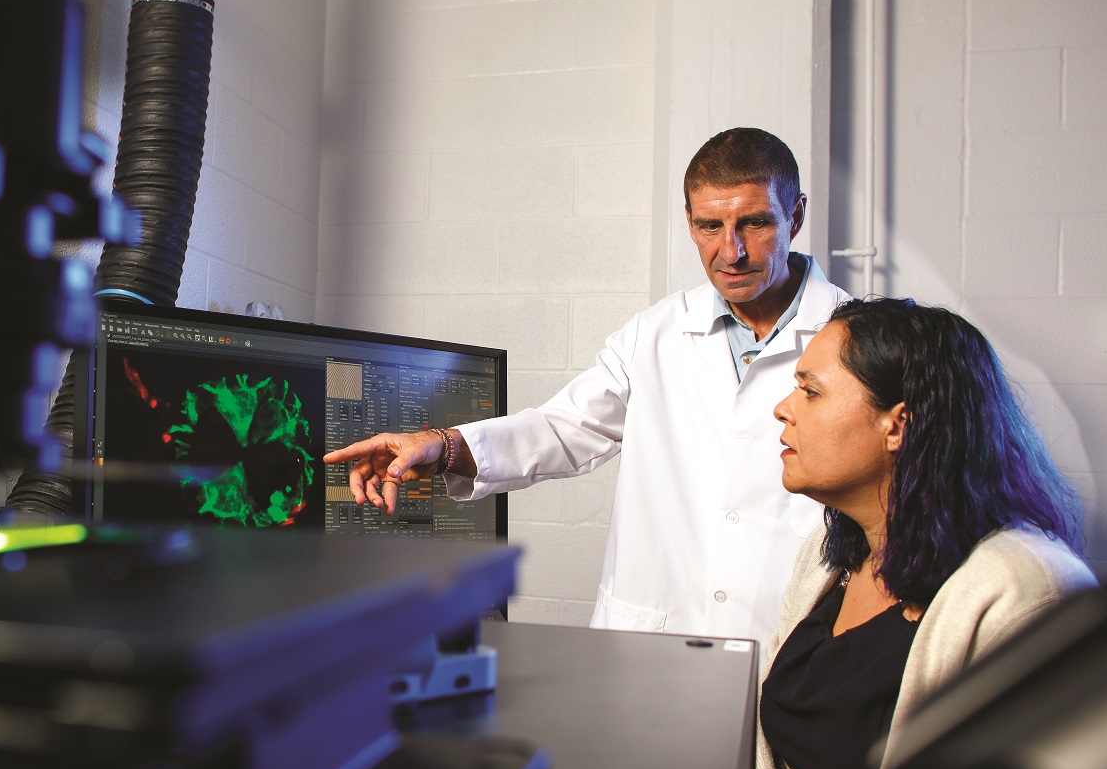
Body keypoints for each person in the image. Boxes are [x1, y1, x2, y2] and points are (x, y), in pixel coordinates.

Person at [324, 127, 851, 647]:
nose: (730, 250)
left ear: (796, 215)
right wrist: (443, 446)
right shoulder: (656, 332)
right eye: (710, 226)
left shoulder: (857, 338)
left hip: (790, 641)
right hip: (656, 638)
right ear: (689, 224)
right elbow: (564, 427)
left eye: (755, 223)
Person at [752, 297, 1093, 769]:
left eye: (811, 391)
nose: (783, 409)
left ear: (898, 424)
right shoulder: (832, 557)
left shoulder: (1023, 590)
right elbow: (782, 761)